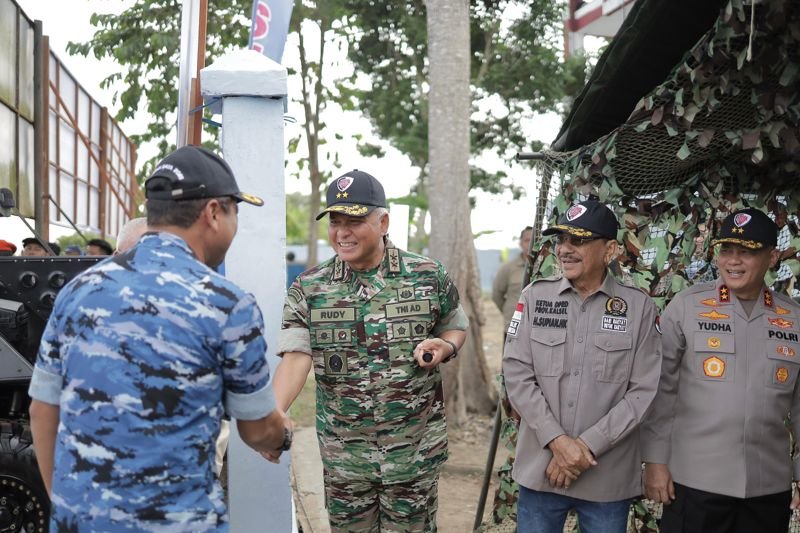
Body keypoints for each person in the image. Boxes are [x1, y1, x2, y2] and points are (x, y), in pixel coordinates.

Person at [28, 145, 292, 531]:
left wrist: (68, 506)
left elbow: (42, 409)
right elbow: (256, 428)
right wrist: (282, 434)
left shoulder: (78, 291)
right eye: (236, 212)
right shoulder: (227, 305)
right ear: (214, 213)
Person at [273, 169, 468, 532]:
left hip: (413, 455)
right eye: (335, 222)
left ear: (383, 222)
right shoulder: (310, 288)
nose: (342, 232)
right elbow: (296, 356)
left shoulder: (427, 275)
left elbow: (455, 325)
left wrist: (445, 346)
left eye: (355, 221)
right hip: (346, 460)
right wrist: (273, 413)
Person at [502, 199, 662, 532]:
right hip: (542, 470)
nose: (565, 249)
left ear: (611, 249)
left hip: (606, 476)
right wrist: (558, 443)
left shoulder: (638, 308)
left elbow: (643, 391)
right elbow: (517, 374)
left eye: (579, 240)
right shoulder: (535, 297)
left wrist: (585, 447)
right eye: (561, 240)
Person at [642, 208, 800, 533]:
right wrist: (655, 461)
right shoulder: (687, 306)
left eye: (746, 252)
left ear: (771, 256)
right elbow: (661, 392)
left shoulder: (793, 317)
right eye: (726, 250)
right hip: (695, 482)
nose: (733, 261)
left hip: (767, 485)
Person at [492, 226, 533, 328]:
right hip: (513, 325)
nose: (531, 244)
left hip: (537, 328)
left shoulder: (547, 268)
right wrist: (509, 311)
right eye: (527, 240)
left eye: (534, 240)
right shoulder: (508, 268)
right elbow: (497, 295)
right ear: (520, 243)